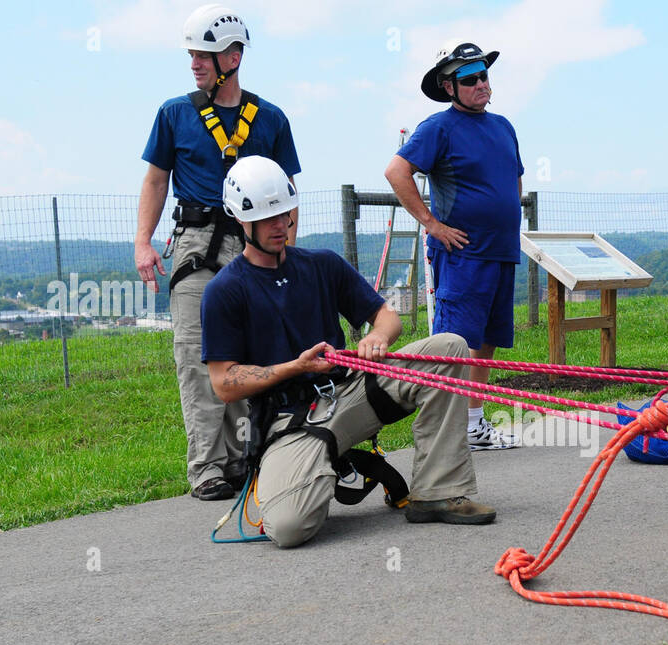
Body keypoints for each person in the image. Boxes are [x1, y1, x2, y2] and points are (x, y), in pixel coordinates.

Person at [201, 156, 496, 548]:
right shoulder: (224, 291)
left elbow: (386, 316)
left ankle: (437, 492)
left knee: (449, 348)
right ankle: (316, 468)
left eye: (285, 214)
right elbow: (224, 383)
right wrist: (295, 367)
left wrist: (379, 338)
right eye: (268, 218)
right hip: (290, 422)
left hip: (349, 392)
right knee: (288, 529)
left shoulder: (321, 265)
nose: (281, 225)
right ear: (241, 220)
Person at [134, 4, 301, 501]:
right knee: (198, 355)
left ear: (233, 56)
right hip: (196, 246)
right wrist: (143, 241)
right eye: (191, 56)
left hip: (255, 244)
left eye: (203, 56)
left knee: (256, 353)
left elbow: (288, 191)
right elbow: (156, 178)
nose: (194, 65)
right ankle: (208, 467)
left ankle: (251, 456)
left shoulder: (270, 119)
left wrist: (285, 252)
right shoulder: (175, 114)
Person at [384, 40, 524, 451]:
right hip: (464, 255)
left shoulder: (503, 126)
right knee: (454, 344)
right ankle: (444, 434)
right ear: (449, 87)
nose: (481, 83)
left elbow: (514, 177)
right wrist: (431, 224)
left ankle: (474, 425)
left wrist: (505, 211)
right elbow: (396, 171)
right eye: (470, 78)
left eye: (484, 75)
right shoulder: (438, 127)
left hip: (500, 252)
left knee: (486, 342)